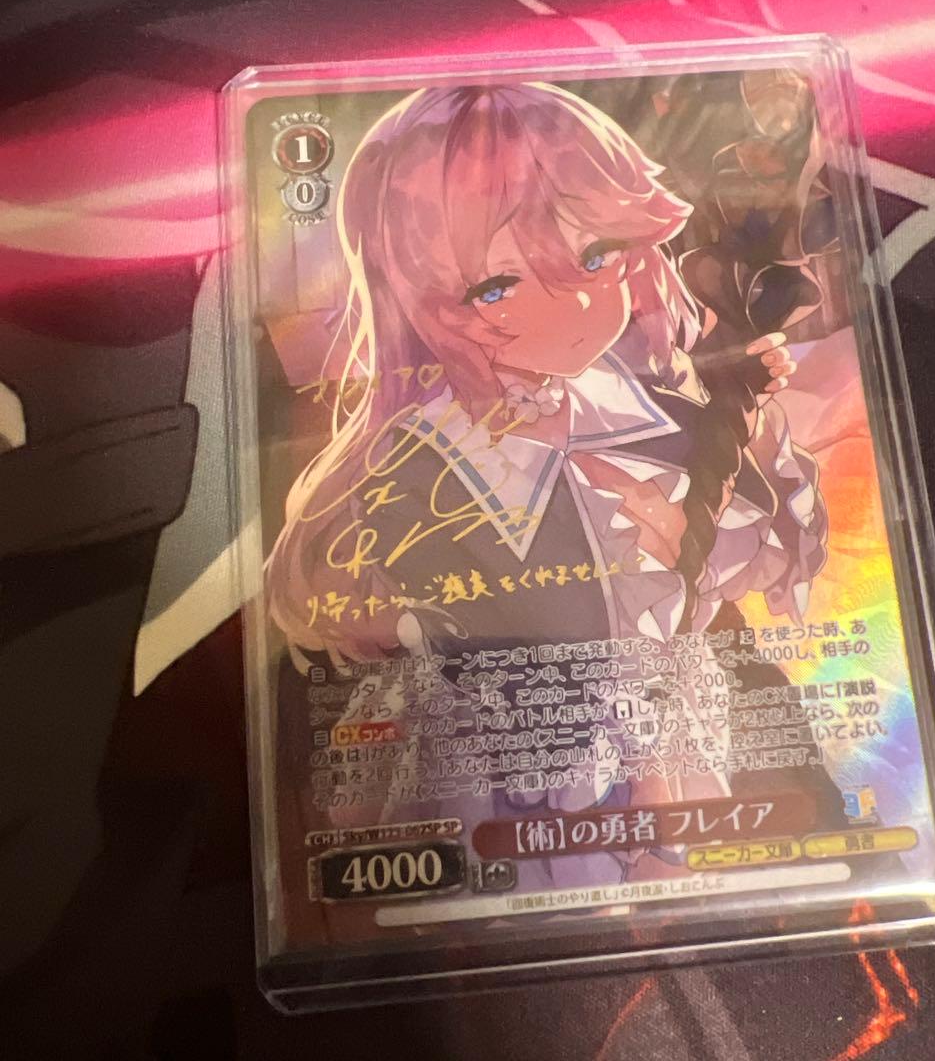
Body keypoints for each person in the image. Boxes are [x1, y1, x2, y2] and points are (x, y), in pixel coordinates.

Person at [266, 82, 835, 888]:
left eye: (597, 257)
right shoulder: (410, 459)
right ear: (421, 299)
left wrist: (719, 504)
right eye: (496, 285)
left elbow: (781, 555)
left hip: (672, 767)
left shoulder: (667, 414)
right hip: (498, 785)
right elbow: (336, 599)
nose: (575, 301)